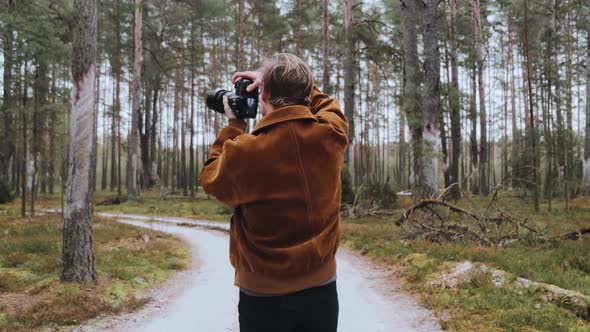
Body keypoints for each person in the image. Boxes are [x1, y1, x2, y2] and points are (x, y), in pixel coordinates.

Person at [199, 53, 348, 332]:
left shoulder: (243, 151)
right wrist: (304, 86)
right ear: (307, 92)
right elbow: (328, 104)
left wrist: (234, 125)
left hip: (262, 294)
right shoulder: (331, 133)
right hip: (321, 288)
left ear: (264, 91)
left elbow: (211, 179)